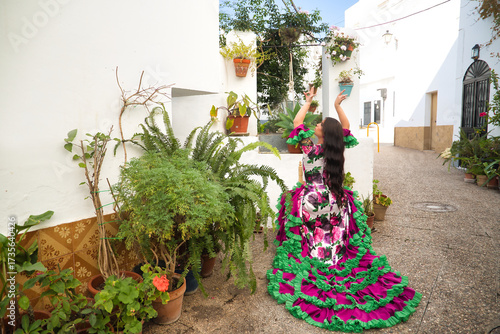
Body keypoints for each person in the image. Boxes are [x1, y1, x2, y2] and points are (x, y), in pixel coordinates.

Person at [267, 87, 421, 332]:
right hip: (334, 200)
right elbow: (346, 127)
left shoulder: (310, 148)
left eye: (318, 124)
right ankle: (330, 254)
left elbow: (297, 122)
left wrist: (308, 102)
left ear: (323, 133)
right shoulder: (335, 150)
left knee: (307, 228)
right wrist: (338, 106)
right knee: (330, 232)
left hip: (312, 199)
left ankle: (316, 255)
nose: (314, 125)